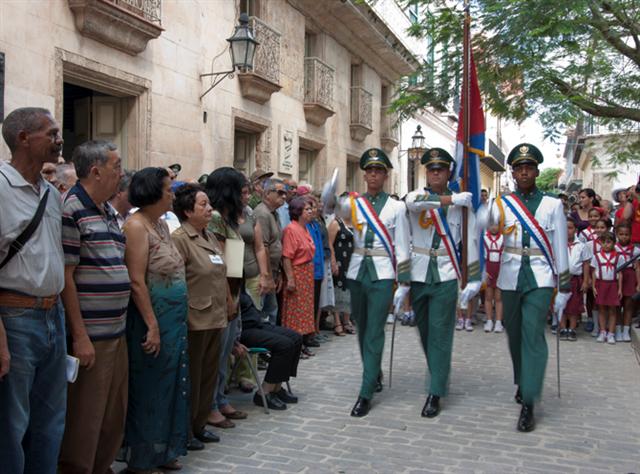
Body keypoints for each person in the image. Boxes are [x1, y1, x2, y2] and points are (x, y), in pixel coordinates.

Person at [0, 107, 66, 474]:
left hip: (52, 315)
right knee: (11, 425)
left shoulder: (51, 195)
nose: (59, 140)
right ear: (23, 138)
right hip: (15, 317)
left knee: (50, 420)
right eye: (51, 133)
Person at [58, 140, 130, 474]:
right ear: (96, 170)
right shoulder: (71, 208)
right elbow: (67, 277)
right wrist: (80, 336)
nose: (122, 173)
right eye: (116, 166)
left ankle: (101, 468)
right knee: (85, 418)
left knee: (113, 413)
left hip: (116, 331)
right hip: (92, 335)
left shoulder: (106, 212)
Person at [489, 143, 570, 432]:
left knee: (532, 334)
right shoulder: (502, 203)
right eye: (519, 168)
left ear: (536, 171)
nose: (524, 172)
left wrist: (564, 287)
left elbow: (560, 245)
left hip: (540, 276)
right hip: (510, 277)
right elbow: (487, 228)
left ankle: (529, 402)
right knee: (513, 334)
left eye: (529, 167)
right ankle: (523, 381)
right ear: (512, 172)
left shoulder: (553, 205)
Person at [121, 167, 189, 470]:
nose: (172, 194)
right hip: (152, 319)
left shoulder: (160, 225)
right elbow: (136, 280)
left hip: (174, 319)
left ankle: (165, 448)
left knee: (171, 382)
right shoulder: (136, 226)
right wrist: (152, 325)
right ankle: (143, 455)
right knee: (149, 384)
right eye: (167, 189)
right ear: (151, 191)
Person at [405, 148, 481, 417]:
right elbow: (415, 204)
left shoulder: (463, 206)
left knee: (440, 332)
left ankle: (435, 390)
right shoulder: (417, 195)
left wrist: (474, 278)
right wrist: (451, 199)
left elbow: (471, 240)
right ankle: (439, 369)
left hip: (447, 273)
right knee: (425, 332)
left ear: (449, 172)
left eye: (441, 169)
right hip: (419, 273)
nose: (436, 172)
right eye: (431, 169)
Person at [345, 148, 411, 418]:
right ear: (364, 175)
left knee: (374, 330)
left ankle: (365, 390)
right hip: (358, 271)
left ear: (385, 175)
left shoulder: (397, 207)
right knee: (361, 329)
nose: (373, 175)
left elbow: (403, 246)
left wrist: (403, 282)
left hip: (383, 273)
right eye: (369, 170)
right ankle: (375, 371)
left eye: (378, 171)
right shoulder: (354, 204)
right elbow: (331, 217)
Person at [172, 184, 235, 442]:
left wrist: (230, 302)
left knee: (209, 376)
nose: (210, 209)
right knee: (193, 378)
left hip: (216, 316)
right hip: (195, 318)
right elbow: (178, 280)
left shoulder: (208, 235)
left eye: (209, 204)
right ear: (187, 211)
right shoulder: (180, 239)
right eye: (203, 205)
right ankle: (185, 430)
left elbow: (221, 273)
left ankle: (199, 424)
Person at [205, 167, 250, 429]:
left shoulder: (227, 218)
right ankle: (210, 404)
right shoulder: (213, 219)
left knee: (225, 353)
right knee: (217, 352)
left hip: (233, 289)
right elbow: (220, 261)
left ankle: (220, 398)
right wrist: (229, 297)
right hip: (222, 293)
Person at [237, 291, 302, 410]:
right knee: (284, 345)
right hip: (243, 329)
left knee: (296, 338)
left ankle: (276, 387)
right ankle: (264, 393)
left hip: (255, 322)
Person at [281, 196, 317, 357]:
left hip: (307, 273)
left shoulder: (305, 228)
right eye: (307, 209)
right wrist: (290, 279)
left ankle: (301, 342)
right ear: (298, 212)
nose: (311, 212)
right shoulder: (291, 229)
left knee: (304, 310)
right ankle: (293, 345)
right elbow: (287, 256)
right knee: (295, 311)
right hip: (297, 272)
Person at [253, 178, 286, 324]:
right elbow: (263, 246)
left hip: (272, 270)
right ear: (267, 194)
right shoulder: (262, 213)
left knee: (271, 311)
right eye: (280, 192)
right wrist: (268, 276)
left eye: (285, 193)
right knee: (265, 313)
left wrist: (277, 272)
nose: (284, 196)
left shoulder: (274, 213)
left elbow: (275, 243)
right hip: (264, 274)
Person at [560, 217, 591, 341]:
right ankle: (562, 328)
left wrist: (585, 280)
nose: (567, 231)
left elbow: (586, 264)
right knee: (561, 305)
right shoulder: (556, 245)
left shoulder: (582, 246)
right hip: (560, 279)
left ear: (576, 230)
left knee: (574, 305)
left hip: (575, 279)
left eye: (570, 228)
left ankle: (572, 329)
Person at [328, 205, 355, 336]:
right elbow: (329, 243)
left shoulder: (356, 222)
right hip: (340, 260)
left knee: (350, 289)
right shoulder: (335, 223)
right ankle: (337, 321)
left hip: (352, 261)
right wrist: (333, 261)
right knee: (338, 289)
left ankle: (347, 320)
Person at [591, 231, 622, 344]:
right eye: (603, 242)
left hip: (613, 285)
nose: (606, 245)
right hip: (601, 284)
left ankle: (611, 333)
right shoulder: (597, 256)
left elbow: (620, 274)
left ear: (614, 243)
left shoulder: (618, 257)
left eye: (609, 242)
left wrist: (620, 289)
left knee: (613, 310)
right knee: (602, 309)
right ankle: (602, 331)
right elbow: (594, 272)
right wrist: (594, 286)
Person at [614, 222, 638, 342]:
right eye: (621, 234)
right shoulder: (613, 247)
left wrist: (639, 283)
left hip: (630, 276)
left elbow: (638, 268)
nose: (624, 237)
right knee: (617, 305)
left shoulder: (636, 250)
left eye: (626, 234)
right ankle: (617, 330)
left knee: (628, 305)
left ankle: (626, 331)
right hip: (617, 277)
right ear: (617, 234)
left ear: (630, 235)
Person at [484, 223, 504, 333]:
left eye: (496, 225)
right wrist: (484, 272)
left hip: (500, 270)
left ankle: (499, 322)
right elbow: (481, 256)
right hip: (488, 270)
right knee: (488, 296)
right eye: (491, 225)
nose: (493, 227)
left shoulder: (503, 238)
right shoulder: (484, 238)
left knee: (498, 297)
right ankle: (489, 320)